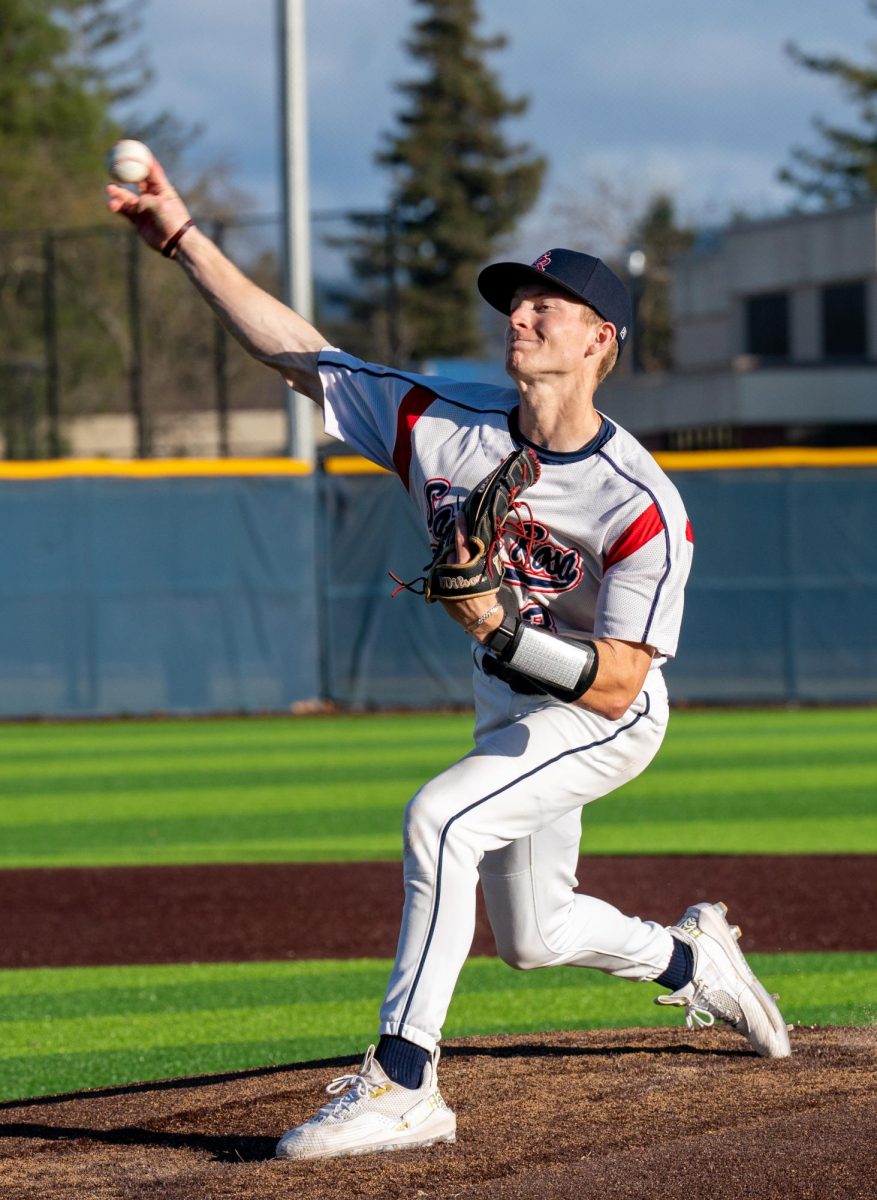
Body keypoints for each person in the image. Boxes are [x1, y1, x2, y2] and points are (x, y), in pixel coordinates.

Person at [107, 157, 791, 1163]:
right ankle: (691, 960)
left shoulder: (635, 500)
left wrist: (503, 635)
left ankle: (402, 1083)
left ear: (600, 341)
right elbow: (302, 355)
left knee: (441, 820)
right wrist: (181, 238)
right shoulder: (443, 428)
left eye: (546, 306)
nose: (521, 315)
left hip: (603, 720)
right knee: (534, 935)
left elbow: (621, 681)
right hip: (507, 705)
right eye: (517, 301)